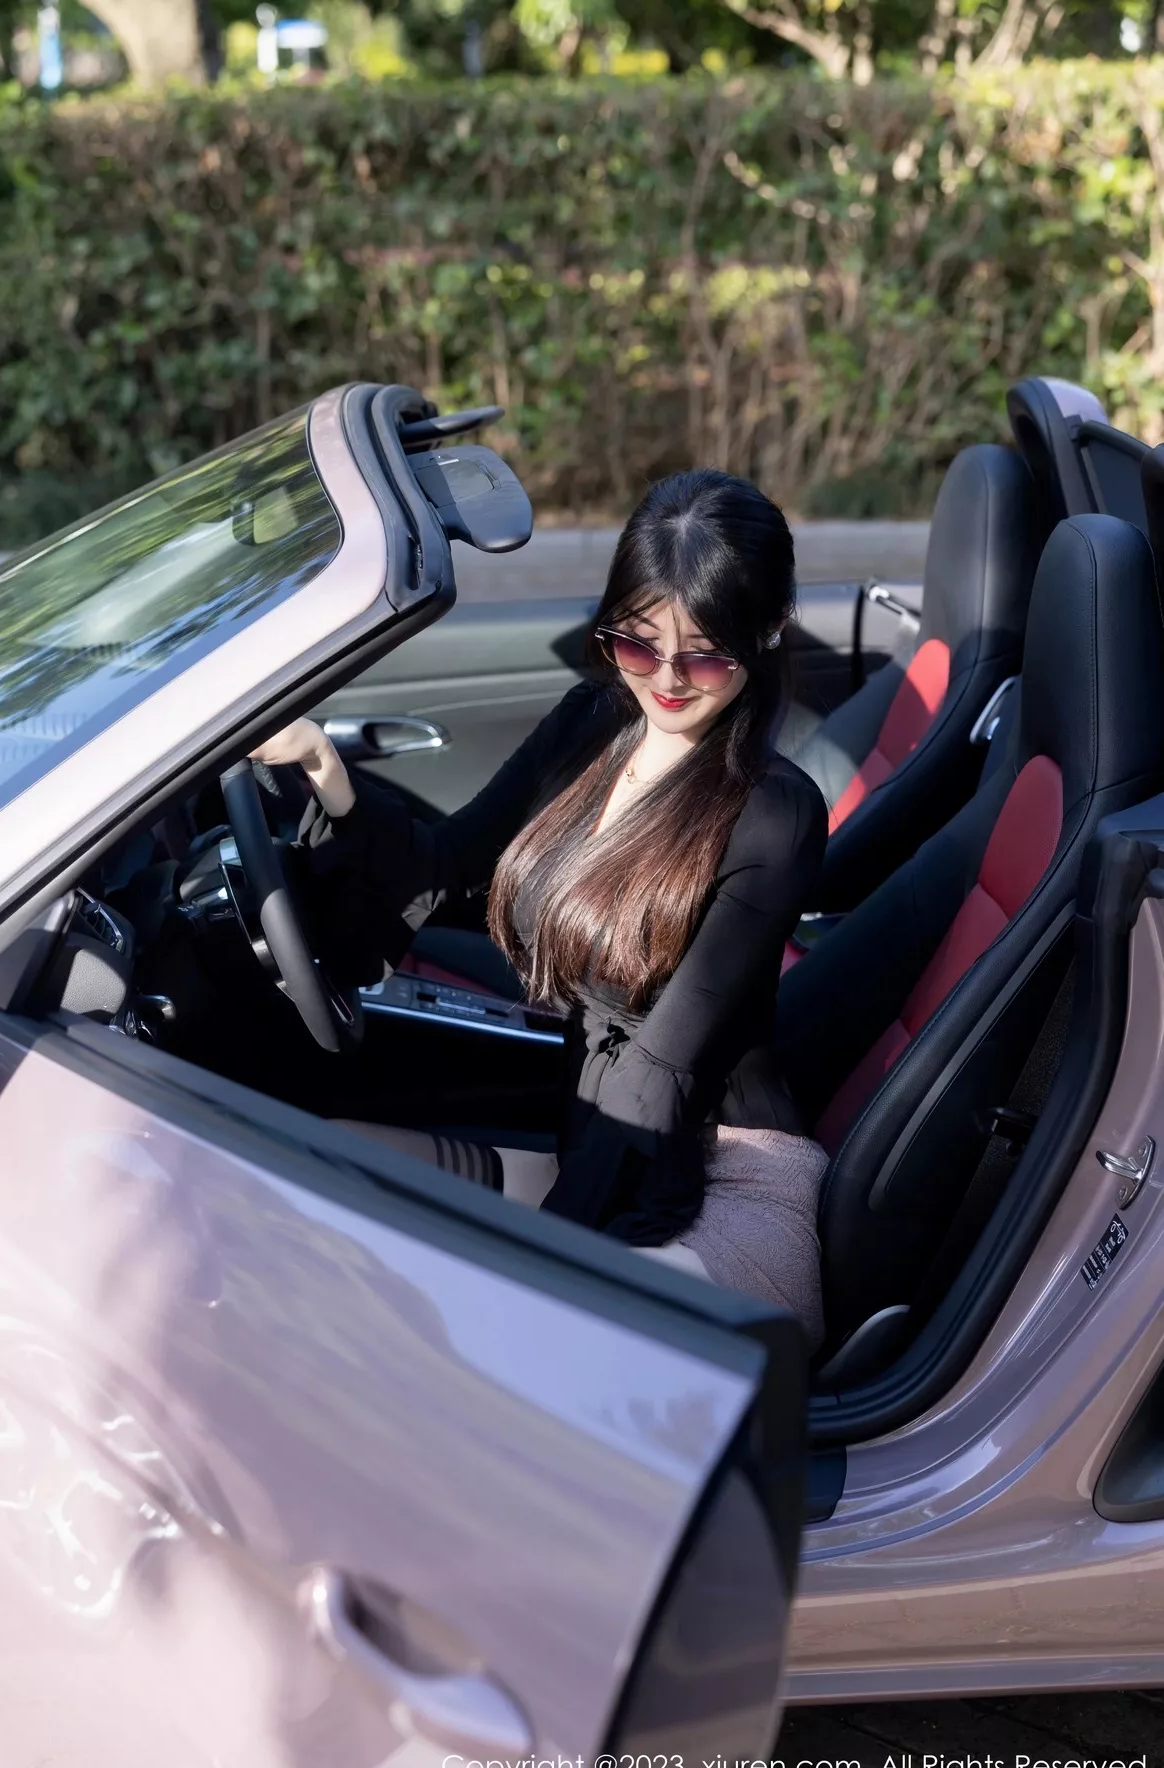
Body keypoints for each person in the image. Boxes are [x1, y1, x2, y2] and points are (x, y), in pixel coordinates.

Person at [252, 469, 830, 1346]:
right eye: (637, 645)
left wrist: (548, 1264)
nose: (667, 681)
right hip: (597, 1139)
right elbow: (448, 866)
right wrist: (323, 769)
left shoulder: (773, 814)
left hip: (721, 1186)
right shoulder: (593, 722)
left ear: (772, 626)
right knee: (315, 1176)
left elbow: (657, 1073)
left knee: (494, 1339)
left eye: (706, 656)